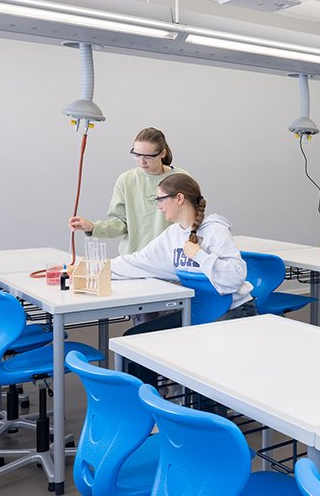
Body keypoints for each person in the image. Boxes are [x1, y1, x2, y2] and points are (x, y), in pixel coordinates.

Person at [111, 173, 255, 389]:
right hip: (198, 310)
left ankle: (205, 408)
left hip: (233, 311)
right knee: (134, 341)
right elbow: (138, 261)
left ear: (179, 198)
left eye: (161, 200)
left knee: (205, 365)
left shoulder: (215, 230)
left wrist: (199, 255)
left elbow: (235, 276)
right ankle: (150, 405)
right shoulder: (172, 235)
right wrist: (97, 269)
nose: (159, 207)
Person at [70, 127, 188, 256]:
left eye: (148, 157)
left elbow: (191, 219)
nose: (141, 161)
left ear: (163, 153)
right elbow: (120, 223)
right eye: (137, 155)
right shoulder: (126, 180)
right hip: (134, 258)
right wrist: (92, 227)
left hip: (170, 257)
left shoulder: (181, 178)